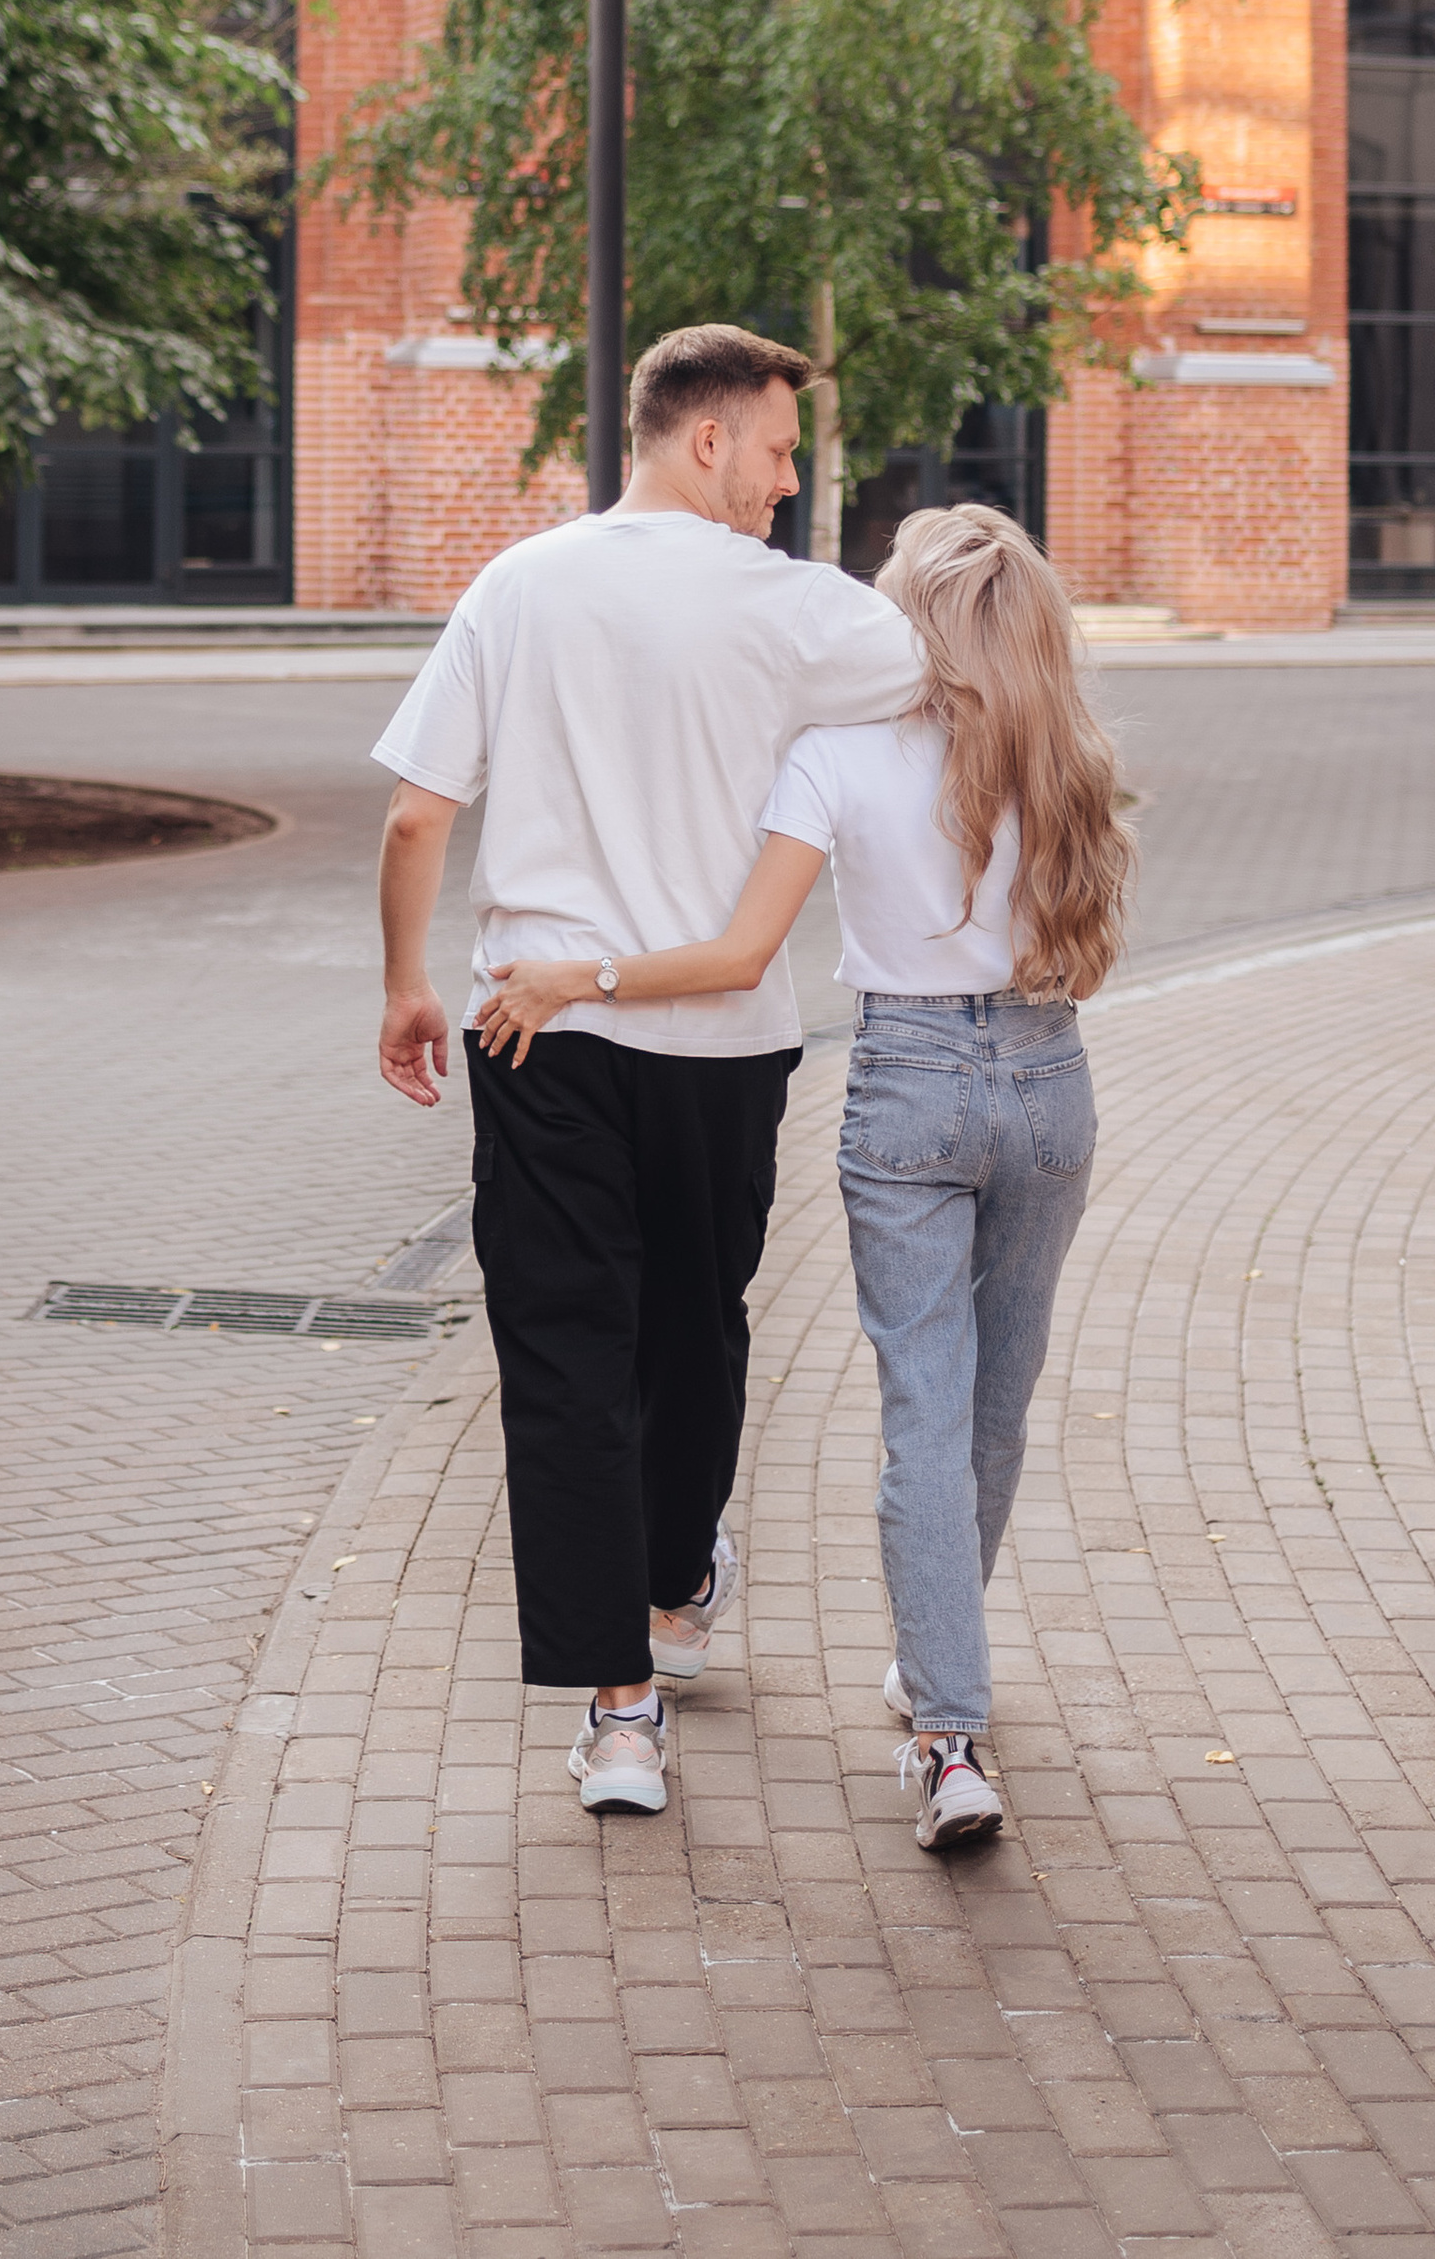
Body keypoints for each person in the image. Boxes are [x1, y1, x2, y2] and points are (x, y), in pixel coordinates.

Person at [479, 501, 1129, 1855]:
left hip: (906, 1091)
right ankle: (938, 1667)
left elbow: (730, 959)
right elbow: (1091, 943)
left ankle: (951, 1741)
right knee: (994, 1408)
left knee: (922, 1418)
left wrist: (579, 975)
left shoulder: (838, 756)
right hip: (1049, 1085)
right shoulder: (1070, 752)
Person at [371, 323, 926, 1816]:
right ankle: (679, 1578)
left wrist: (406, 986)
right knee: (695, 1332)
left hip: (534, 1031)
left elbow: (420, 817)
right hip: (719, 1050)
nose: (791, 480)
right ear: (704, 439)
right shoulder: (805, 611)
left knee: (562, 1361)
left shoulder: (518, 584)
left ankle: (621, 1716)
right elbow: (961, 668)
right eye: (778, 448)